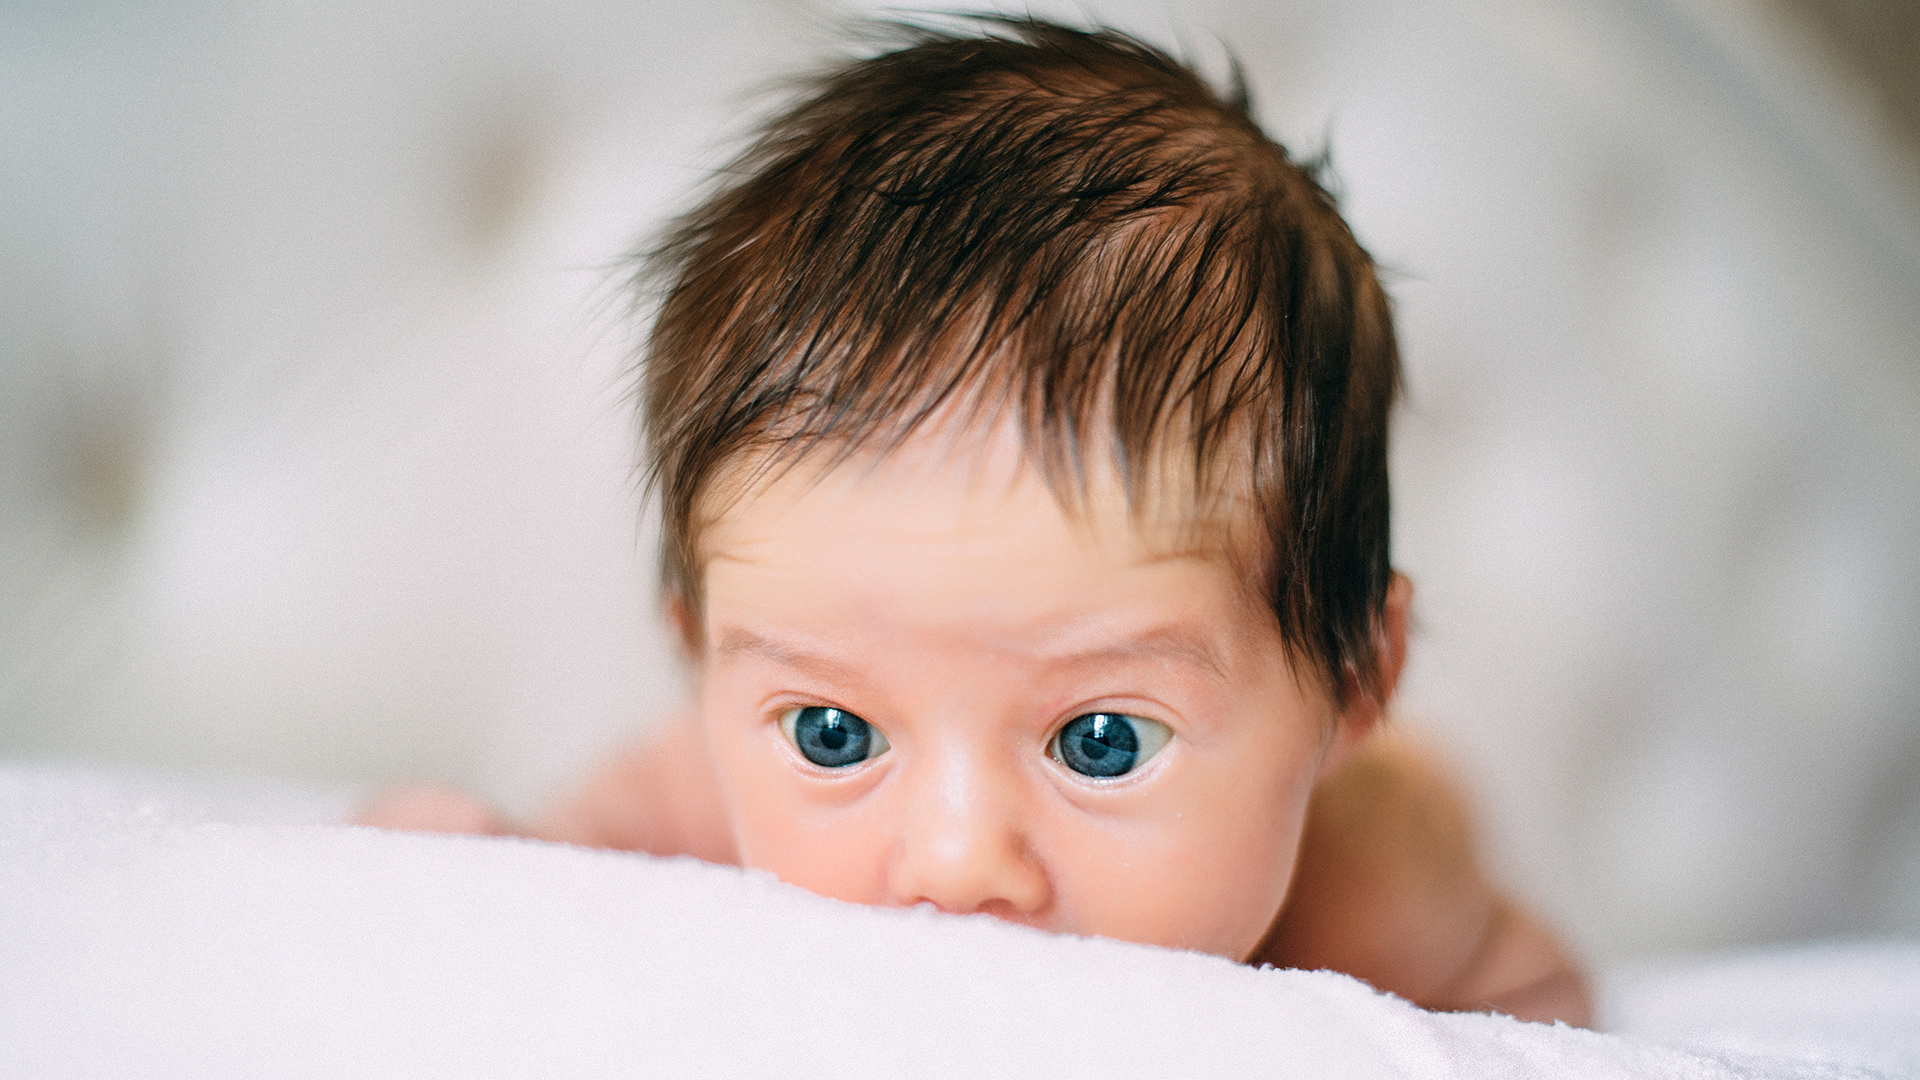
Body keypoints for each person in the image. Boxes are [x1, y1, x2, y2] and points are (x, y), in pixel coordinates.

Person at [360, 16, 1590, 1026]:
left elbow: (1546, 1020)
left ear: (1353, 680)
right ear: (700, 660)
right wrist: (481, 860)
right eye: (836, 736)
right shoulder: (694, 791)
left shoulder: (1374, 900)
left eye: (1102, 740)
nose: (953, 864)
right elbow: (545, 887)